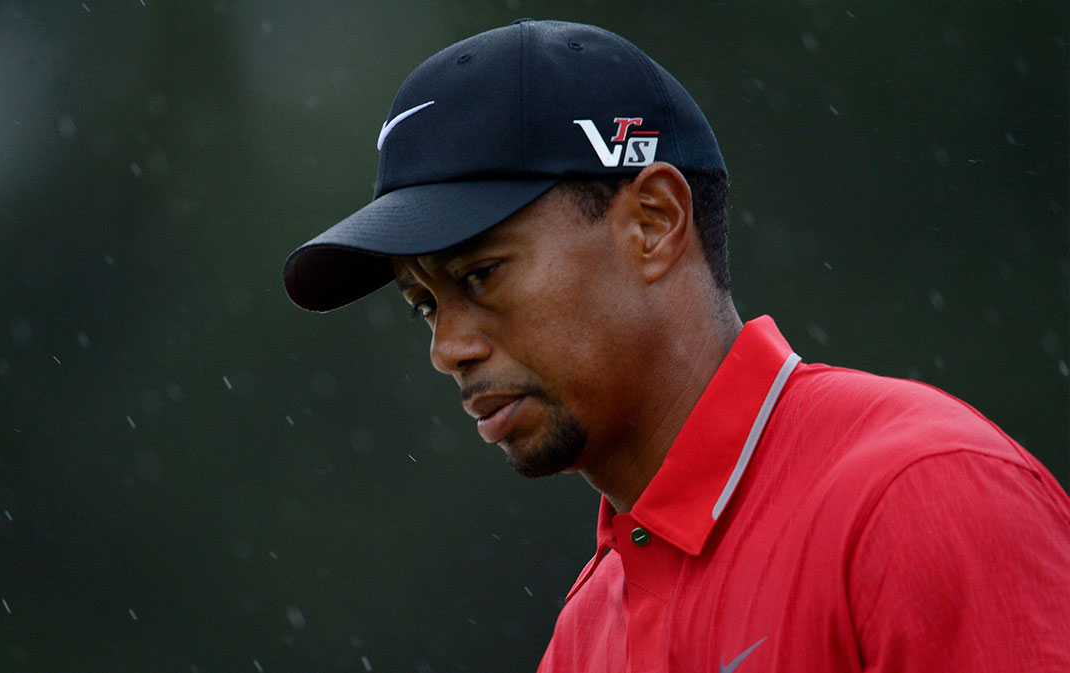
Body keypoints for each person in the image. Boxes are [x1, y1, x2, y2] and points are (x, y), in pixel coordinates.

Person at [282, 19, 1070, 672]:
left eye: (480, 274)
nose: (447, 347)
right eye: (424, 305)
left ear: (654, 222)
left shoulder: (919, 495)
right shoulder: (583, 636)